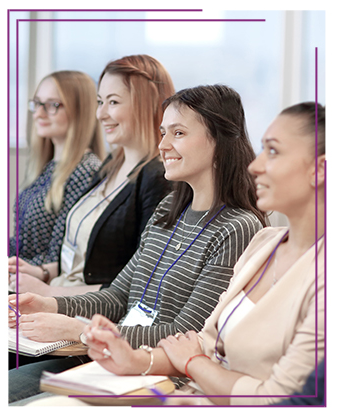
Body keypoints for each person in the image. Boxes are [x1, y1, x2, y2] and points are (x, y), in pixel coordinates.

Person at [8, 84, 266, 404]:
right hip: (111, 358)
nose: (163, 145)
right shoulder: (167, 213)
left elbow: (184, 336)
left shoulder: (237, 227)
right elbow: (118, 297)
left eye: (179, 133)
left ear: (220, 140)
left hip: (159, 376)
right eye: (162, 132)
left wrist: (76, 330)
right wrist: (51, 305)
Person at [78, 101, 325, 407]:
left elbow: (276, 399)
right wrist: (135, 360)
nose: (255, 165)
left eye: (272, 151)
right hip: (185, 393)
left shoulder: (317, 270)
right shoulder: (265, 243)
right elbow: (204, 343)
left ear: (321, 169)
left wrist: (192, 363)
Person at [8, 55, 174, 296]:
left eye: (113, 102)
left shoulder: (157, 179)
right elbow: (84, 260)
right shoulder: (110, 167)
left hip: (81, 311)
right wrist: (43, 273)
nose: (100, 114)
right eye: (100, 102)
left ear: (145, 104)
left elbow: (137, 287)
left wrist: (46, 292)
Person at [8, 70, 105, 268]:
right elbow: (22, 243)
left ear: (80, 111)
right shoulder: (47, 166)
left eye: (53, 105)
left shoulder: (87, 171)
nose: (39, 113)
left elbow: (61, 253)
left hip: (38, 285)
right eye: (37, 103)